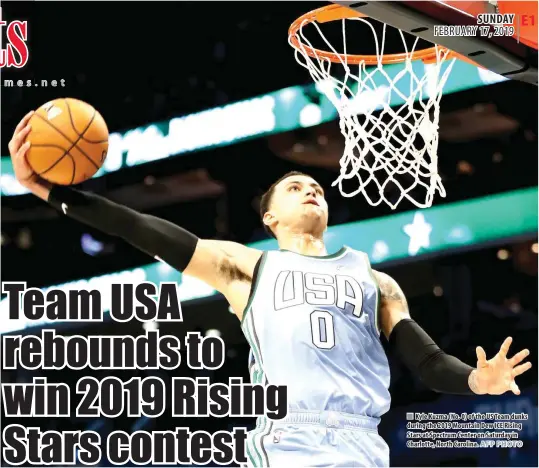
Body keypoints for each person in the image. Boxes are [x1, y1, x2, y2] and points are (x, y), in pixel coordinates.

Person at [9, 111, 532, 467]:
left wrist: (476, 382)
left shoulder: (377, 281)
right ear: (270, 217)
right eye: (295, 187)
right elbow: (146, 230)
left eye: (317, 187)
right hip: (290, 437)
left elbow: (427, 360)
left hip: (361, 440)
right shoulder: (247, 267)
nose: (311, 189)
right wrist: (60, 196)